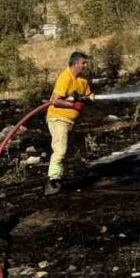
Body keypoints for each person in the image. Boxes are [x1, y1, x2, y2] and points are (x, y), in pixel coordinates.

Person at [46, 51, 92, 195]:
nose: (85, 65)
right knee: (60, 150)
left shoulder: (82, 81)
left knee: (66, 152)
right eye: (83, 63)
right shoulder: (65, 77)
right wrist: (73, 106)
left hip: (70, 121)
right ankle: (52, 181)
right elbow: (54, 100)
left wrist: (89, 99)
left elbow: (88, 95)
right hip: (58, 119)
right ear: (76, 63)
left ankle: (59, 179)